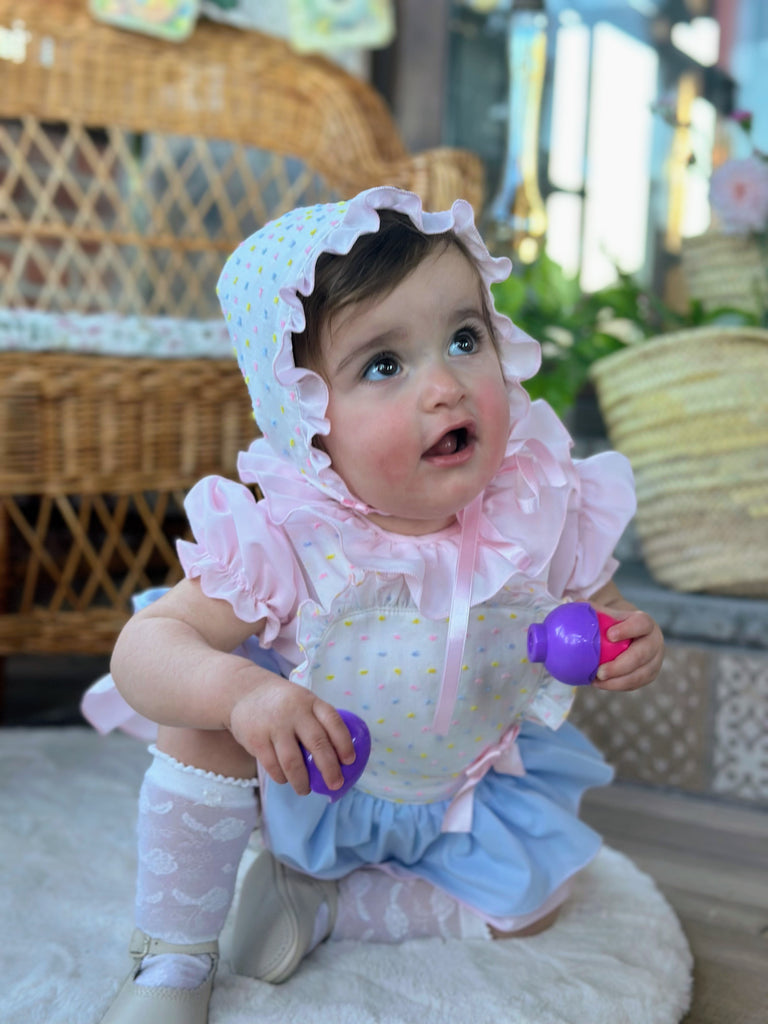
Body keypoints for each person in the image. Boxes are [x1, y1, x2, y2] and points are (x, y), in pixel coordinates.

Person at [82, 185, 664, 1024]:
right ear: (305, 418)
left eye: (465, 339)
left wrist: (622, 638)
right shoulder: (289, 533)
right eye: (385, 365)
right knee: (203, 719)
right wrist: (244, 696)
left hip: (454, 792)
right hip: (304, 783)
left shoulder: (541, 504)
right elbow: (146, 648)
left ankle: (328, 904)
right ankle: (174, 960)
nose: (447, 386)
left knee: (536, 903)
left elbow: (601, 608)